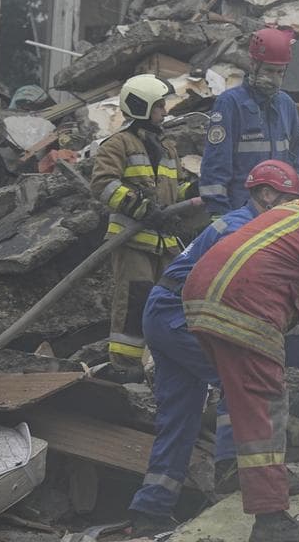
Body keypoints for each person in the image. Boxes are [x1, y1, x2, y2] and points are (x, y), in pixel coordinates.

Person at [182, 182, 299, 542]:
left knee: (243, 397)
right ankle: (271, 520)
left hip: (200, 295)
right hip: (245, 305)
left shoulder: (292, 212)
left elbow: (282, 271)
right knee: (265, 405)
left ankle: (264, 478)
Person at [128, 161, 299, 535]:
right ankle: (234, 470)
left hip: (164, 312)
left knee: (180, 415)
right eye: (288, 200)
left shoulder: (237, 222)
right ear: (267, 194)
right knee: (240, 380)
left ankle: (149, 510)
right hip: (182, 314)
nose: (292, 211)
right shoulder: (246, 230)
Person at [90, 74, 185, 381]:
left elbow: (176, 189)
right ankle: (124, 368)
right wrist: (141, 207)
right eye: (159, 106)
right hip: (132, 242)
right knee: (134, 300)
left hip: (165, 243)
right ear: (141, 107)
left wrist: (191, 197)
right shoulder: (119, 144)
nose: (165, 112)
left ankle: (160, 363)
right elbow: (103, 185)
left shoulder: (167, 146)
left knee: (169, 301)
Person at [200, 26, 299, 217]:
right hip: (241, 211)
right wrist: (220, 215)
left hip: (280, 210)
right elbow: (216, 165)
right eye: (269, 70)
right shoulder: (229, 104)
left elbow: (297, 157)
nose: (275, 79)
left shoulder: (286, 104)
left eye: (280, 72)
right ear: (253, 64)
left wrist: (295, 198)